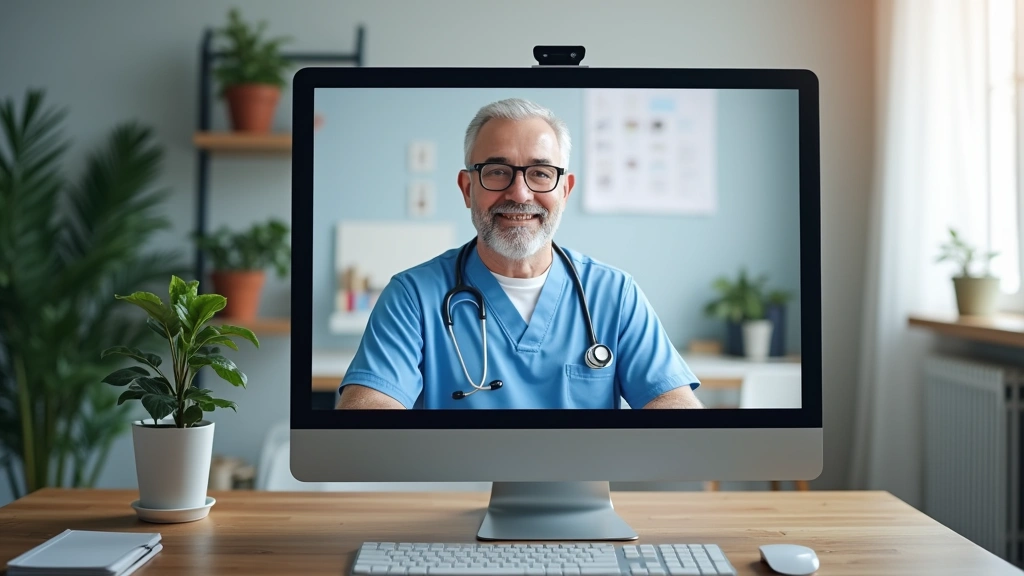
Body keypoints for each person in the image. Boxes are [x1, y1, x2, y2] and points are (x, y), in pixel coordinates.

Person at [336, 98, 703, 410]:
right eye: (497, 172)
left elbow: (675, 408)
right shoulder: (413, 295)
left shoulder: (614, 294)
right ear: (467, 189)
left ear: (564, 190)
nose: (520, 194)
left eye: (541, 173)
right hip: (449, 496)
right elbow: (366, 410)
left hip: (580, 495)